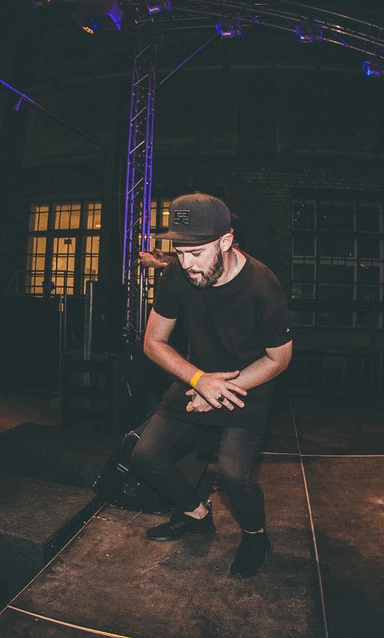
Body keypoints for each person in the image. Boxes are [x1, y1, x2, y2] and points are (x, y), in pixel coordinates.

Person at [129, 192, 293, 579]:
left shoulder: (262, 286)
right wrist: (199, 381)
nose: (186, 263)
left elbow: (279, 359)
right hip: (196, 376)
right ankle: (196, 514)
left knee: (234, 475)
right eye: (179, 252)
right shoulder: (177, 275)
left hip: (249, 382)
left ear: (226, 241)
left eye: (197, 252)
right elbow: (153, 342)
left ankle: (255, 536)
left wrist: (217, 394)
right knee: (145, 456)